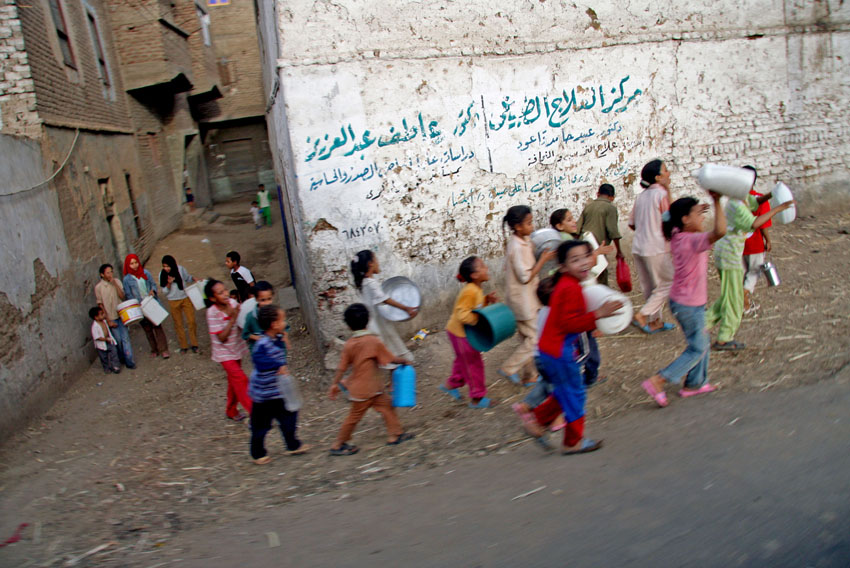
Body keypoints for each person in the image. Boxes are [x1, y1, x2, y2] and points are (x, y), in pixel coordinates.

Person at [529, 240, 622, 454]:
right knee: (575, 394)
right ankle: (573, 442)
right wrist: (598, 314)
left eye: (586, 256)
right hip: (558, 350)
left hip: (552, 348)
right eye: (575, 260)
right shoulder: (570, 288)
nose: (583, 263)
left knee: (566, 390)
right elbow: (568, 324)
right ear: (563, 266)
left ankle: (537, 420)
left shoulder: (568, 283)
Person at [641, 192, 727, 407]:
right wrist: (717, 202)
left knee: (702, 342)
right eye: (698, 214)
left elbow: (673, 214)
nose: (702, 217)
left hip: (685, 301)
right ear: (685, 219)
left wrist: (695, 209)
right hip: (689, 304)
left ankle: (695, 383)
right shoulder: (692, 240)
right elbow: (720, 231)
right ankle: (659, 380)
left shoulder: (677, 233)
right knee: (697, 348)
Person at [706, 181, 794, 350]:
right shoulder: (736, 204)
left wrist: (771, 195)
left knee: (731, 295)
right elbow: (754, 223)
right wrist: (778, 208)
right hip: (730, 255)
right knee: (735, 299)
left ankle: (703, 325)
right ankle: (723, 337)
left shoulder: (741, 198)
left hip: (729, 253)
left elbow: (755, 202)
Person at [328, 303, 414, 456]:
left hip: (363, 390)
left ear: (348, 325)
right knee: (355, 417)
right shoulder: (373, 341)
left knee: (385, 407)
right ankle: (338, 444)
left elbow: (342, 368)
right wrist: (404, 361)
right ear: (368, 320)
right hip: (370, 389)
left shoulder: (349, 345)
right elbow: (390, 359)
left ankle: (395, 434)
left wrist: (335, 384)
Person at [500, 205, 556, 386]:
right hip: (523, 301)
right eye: (529, 223)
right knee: (535, 339)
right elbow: (525, 277)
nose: (532, 227)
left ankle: (530, 375)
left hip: (525, 298)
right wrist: (543, 260)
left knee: (527, 337)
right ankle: (508, 367)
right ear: (518, 227)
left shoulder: (522, 240)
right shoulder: (517, 247)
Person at [249, 304, 310, 464]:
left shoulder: (276, 338)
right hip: (263, 395)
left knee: (289, 418)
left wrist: (284, 339)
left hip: (278, 391)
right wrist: (277, 365)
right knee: (261, 425)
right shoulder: (262, 344)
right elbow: (259, 361)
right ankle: (257, 453)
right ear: (274, 324)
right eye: (283, 320)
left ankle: (292, 445)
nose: (285, 323)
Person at [439, 256, 497, 408]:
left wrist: (486, 300)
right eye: (482, 266)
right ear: (474, 275)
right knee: (473, 364)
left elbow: (475, 306)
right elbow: (462, 314)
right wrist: (479, 322)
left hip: (460, 332)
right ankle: (477, 398)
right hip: (460, 334)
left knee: (463, 360)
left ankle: (451, 385)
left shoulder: (475, 289)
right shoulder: (470, 291)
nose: (486, 268)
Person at [629, 160, 676, 334]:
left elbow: (632, 224)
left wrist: (646, 226)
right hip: (656, 247)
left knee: (650, 287)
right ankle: (643, 314)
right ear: (658, 177)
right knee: (668, 283)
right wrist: (668, 190)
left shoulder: (641, 197)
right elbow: (670, 219)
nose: (668, 173)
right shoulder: (661, 194)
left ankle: (655, 321)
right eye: (665, 170)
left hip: (639, 246)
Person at [350, 250, 417, 361]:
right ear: (370, 264)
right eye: (376, 260)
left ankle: (390, 363)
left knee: (385, 345)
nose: (378, 262)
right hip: (377, 322)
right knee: (389, 341)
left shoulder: (362, 283)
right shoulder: (371, 283)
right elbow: (385, 299)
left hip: (371, 320)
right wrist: (406, 308)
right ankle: (400, 361)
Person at [205, 279, 253, 421]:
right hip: (224, 353)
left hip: (236, 348)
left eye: (225, 290)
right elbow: (221, 338)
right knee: (241, 379)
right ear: (213, 298)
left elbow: (242, 322)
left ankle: (231, 410)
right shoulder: (212, 313)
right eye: (220, 293)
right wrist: (232, 319)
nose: (226, 294)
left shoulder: (232, 303)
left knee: (234, 381)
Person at [122, 254, 170, 359]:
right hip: (139, 307)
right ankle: (154, 349)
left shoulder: (145, 273)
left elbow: (153, 284)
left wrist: (153, 291)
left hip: (150, 303)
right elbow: (128, 294)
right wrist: (136, 304)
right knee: (147, 329)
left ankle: (164, 349)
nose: (134, 265)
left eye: (136, 262)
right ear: (127, 265)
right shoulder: (127, 279)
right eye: (131, 263)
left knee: (157, 326)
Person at [741, 166, 773, 314]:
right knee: (754, 272)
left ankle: (742, 302)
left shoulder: (736, 199)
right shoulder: (760, 199)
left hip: (739, 243)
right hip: (755, 243)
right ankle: (745, 296)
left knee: (742, 272)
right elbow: (763, 224)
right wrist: (768, 240)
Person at [577, 184, 623, 285]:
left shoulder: (588, 206)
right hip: (598, 246)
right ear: (612, 197)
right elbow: (613, 232)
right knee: (600, 275)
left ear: (597, 194)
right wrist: (619, 251)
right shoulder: (610, 208)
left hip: (583, 244)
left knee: (586, 275)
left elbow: (577, 229)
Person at [94, 263, 135, 369]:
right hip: (111, 317)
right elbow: (101, 305)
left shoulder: (117, 281)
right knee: (118, 340)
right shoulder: (99, 287)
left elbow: (122, 296)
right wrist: (107, 320)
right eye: (108, 273)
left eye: (111, 272)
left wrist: (115, 284)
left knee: (125, 338)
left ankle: (130, 361)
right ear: (102, 274)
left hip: (121, 314)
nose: (110, 274)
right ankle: (122, 357)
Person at [160, 255, 199, 354]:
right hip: (173, 301)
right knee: (178, 324)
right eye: (164, 266)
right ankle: (183, 346)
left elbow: (187, 278)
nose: (166, 268)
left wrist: (194, 278)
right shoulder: (162, 274)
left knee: (191, 321)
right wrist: (169, 283)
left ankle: (194, 344)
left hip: (185, 298)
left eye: (168, 266)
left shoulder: (180, 269)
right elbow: (164, 291)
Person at [242, 281, 276, 353]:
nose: (267, 303)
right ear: (256, 299)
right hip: (259, 353)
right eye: (263, 300)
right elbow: (245, 334)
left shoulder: (276, 313)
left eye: (269, 299)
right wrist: (257, 338)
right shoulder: (251, 316)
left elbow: (285, 328)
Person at [89, 307, 121, 374]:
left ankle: (115, 366)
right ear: (96, 317)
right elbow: (97, 337)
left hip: (109, 341)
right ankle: (107, 368)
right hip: (101, 345)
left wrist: (113, 325)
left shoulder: (104, 321)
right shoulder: (95, 326)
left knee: (114, 353)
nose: (104, 315)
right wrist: (106, 339)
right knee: (104, 357)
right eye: (101, 314)